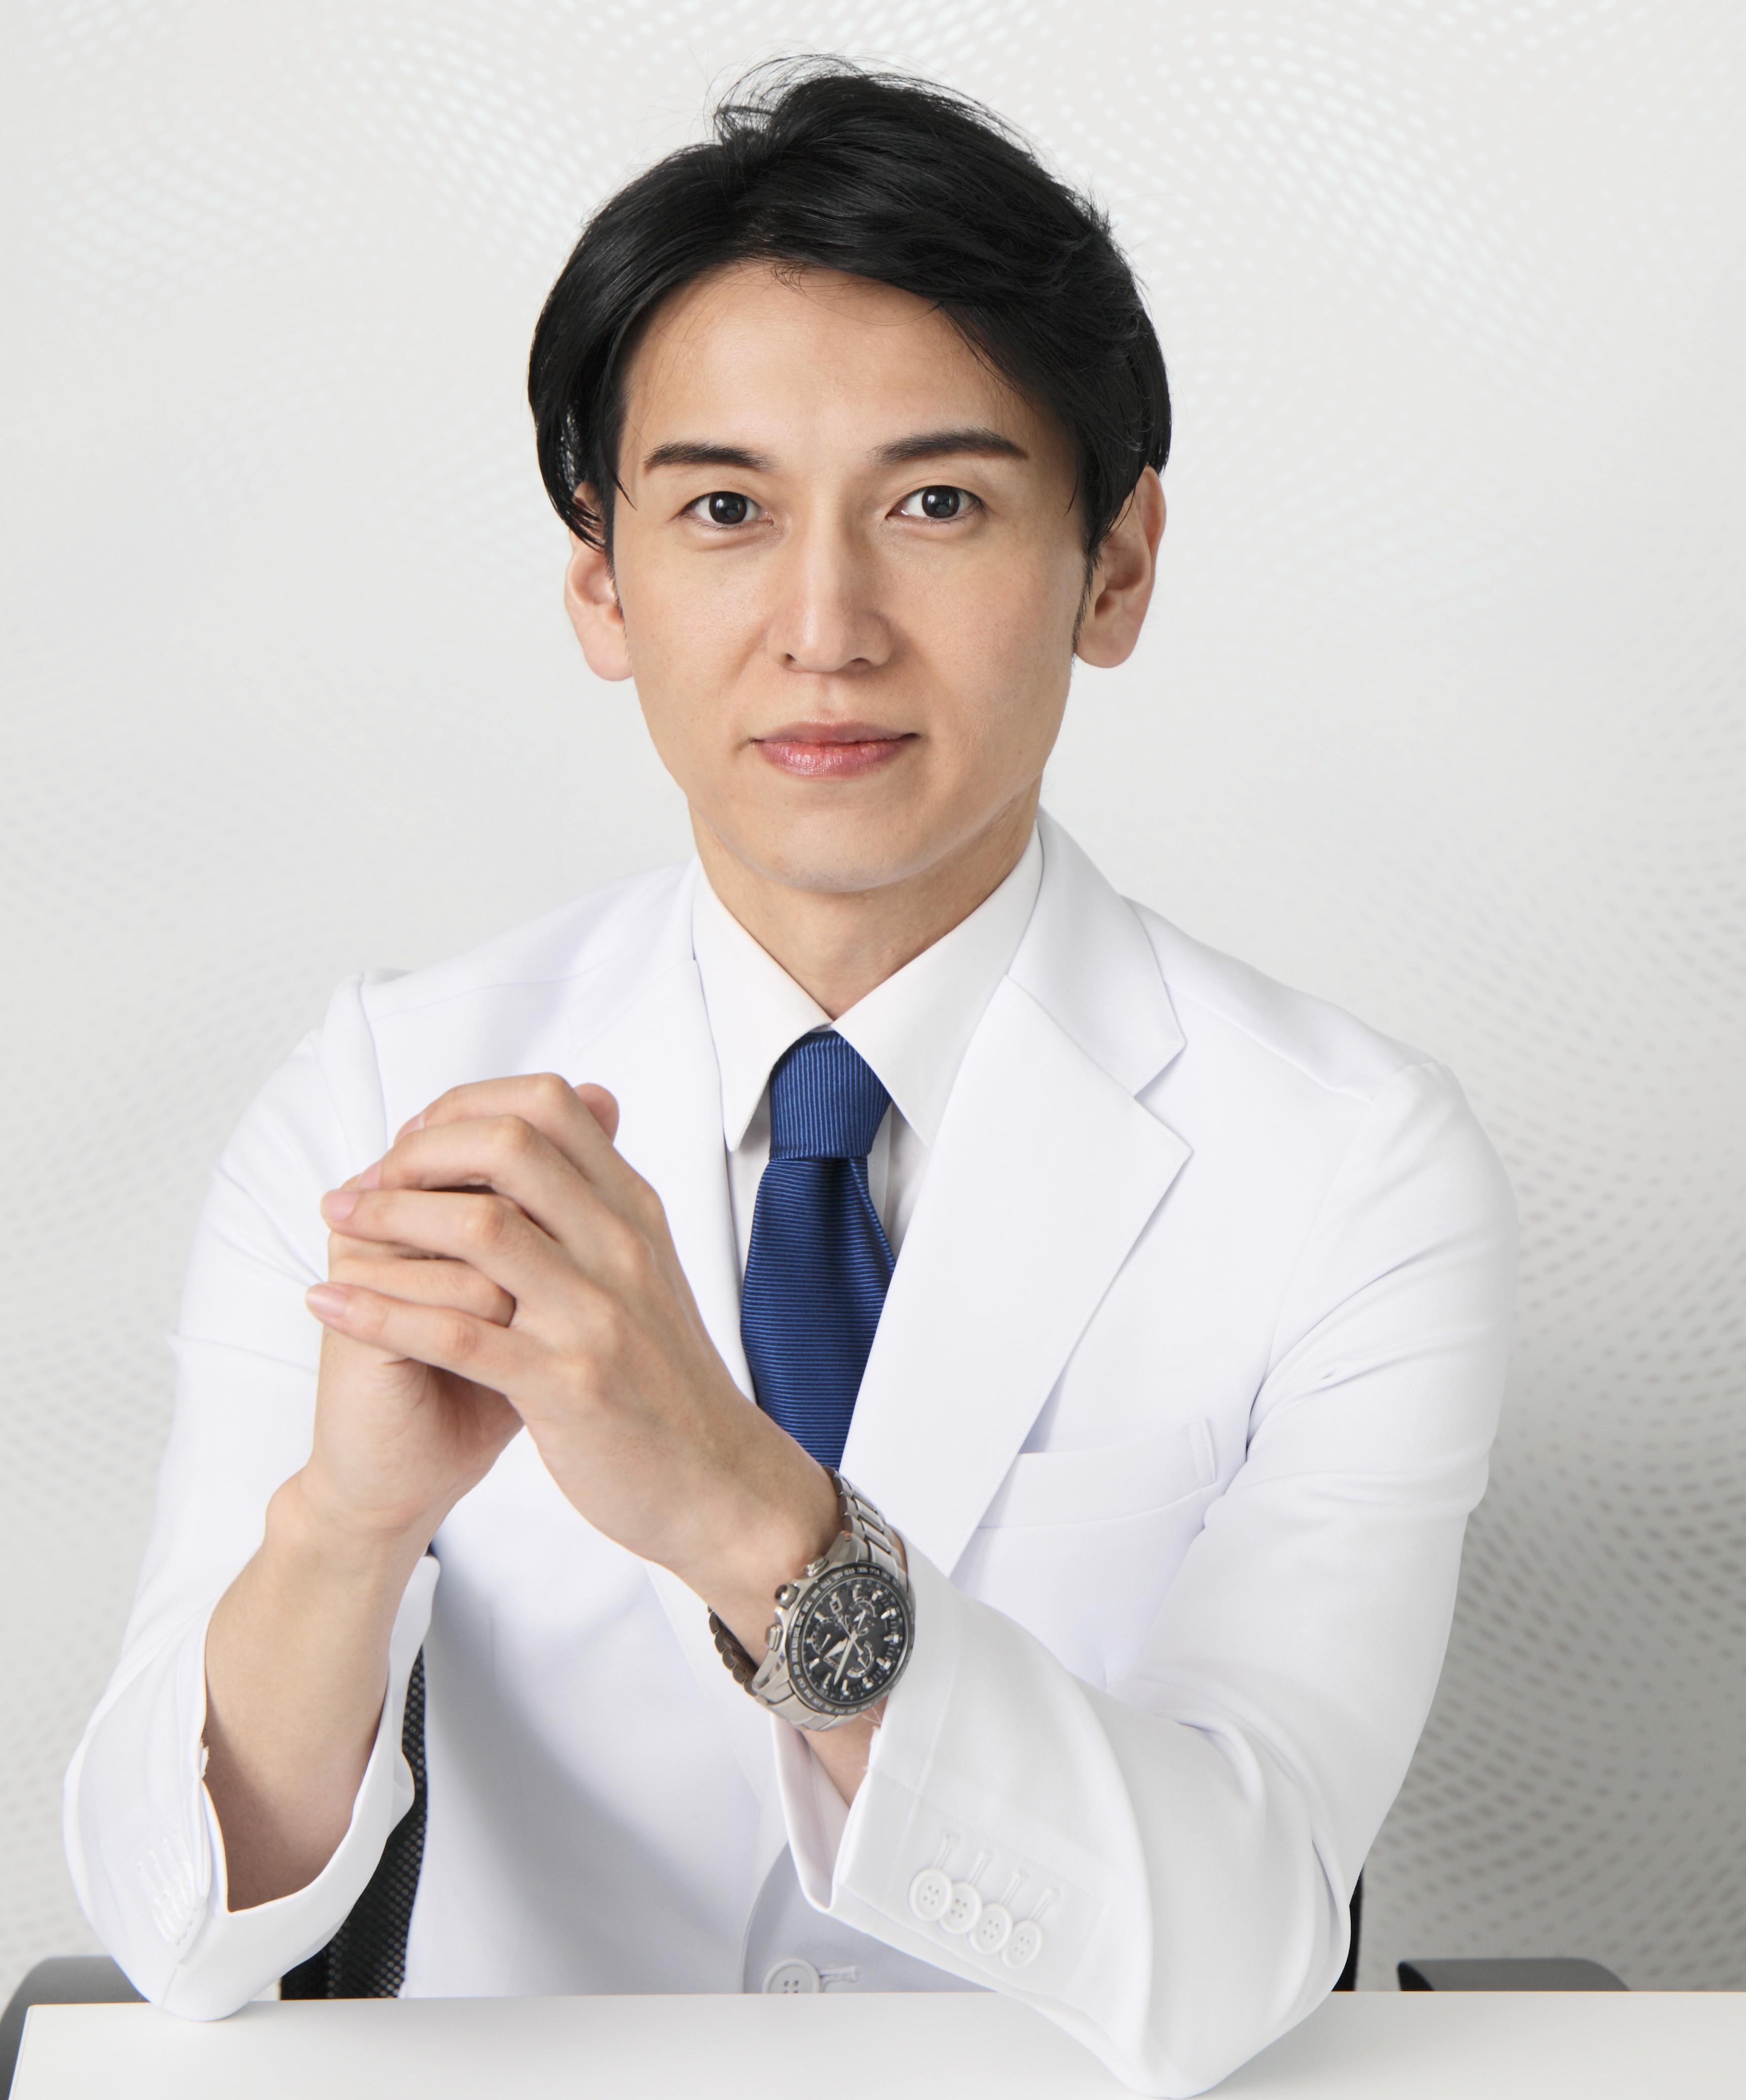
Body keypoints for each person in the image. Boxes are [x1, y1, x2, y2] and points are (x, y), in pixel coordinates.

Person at [64, 61, 1516, 2097]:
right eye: (724, 512)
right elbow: (182, 1925)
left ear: (1112, 566)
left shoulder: (1349, 1163)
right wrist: (343, 1528)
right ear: (603, 582)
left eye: (936, 505)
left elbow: (1234, 1934)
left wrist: (745, 1510)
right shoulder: (384, 1094)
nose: (823, 629)